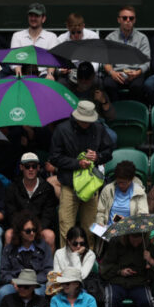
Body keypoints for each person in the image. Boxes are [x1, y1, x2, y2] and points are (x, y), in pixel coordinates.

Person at [49, 100, 113, 246]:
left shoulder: (98, 128)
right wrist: (77, 163)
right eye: (84, 121)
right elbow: (54, 157)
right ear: (77, 117)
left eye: (88, 121)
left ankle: (89, 264)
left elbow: (108, 152)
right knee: (66, 228)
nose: (86, 123)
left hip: (91, 187)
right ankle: (66, 264)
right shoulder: (62, 130)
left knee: (90, 229)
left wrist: (98, 157)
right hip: (69, 185)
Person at [100, 233, 154, 307]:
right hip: (118, 282)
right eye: (133, 239)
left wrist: (150, 260)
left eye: (138, 240)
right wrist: (120, 271)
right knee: (111, 300)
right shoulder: (116, 245)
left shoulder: (149, 247)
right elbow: (105, 268)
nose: (136, 243)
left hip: (139, 283)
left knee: (147, 302)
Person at [5, 152, 58, 251]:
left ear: (38, 168)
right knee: (8, 235)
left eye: (34, 166)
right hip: (19, 228)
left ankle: (49, 266)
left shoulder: (47, 188)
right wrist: (23, 229)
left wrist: (34, 230)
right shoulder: (12, 188)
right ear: (21, 167)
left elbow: (48, 215)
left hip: (40, 229)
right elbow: (11, 213)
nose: (30, 169)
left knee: (50, 236)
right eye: (27, 166)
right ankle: (8, 266)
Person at [0, 212, 54, 304]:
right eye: (28, 231)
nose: (32, 233)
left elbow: (48, 270)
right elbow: (4, 272)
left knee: (38, 293)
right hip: (15, 284)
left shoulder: (44, 247)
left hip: (36, 283)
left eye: (34, 230)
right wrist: (13, 282)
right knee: (3, 292)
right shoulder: (9, 249)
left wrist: (32, 282)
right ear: (20, 232)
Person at [101, 6, 150, 102]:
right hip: (116, 73)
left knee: (137, 86)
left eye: (131, 18)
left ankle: (133, 112)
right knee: (108, 84)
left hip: (135, 73)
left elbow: (147, 61)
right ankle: (116, 112)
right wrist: (112, 73)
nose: (128, 20)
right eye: (124, 18)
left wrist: (138, 72)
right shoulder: (110, 38)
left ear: (134, 20)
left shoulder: (142, 38)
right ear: (119, 20)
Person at [10, 3, 58, 78]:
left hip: (43, 75)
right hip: (23, 74)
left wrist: (50, 74)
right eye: (31, 15)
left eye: (36, 16)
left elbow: (52, 59)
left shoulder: (51, 37)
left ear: (43, 19)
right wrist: (19, 74)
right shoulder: (17, 36)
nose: (33, 18)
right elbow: (14, 59)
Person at [95, 161, 148, 227]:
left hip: (129, 230)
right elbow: (100, 212)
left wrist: (128, 222)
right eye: (119, 182)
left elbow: (143, 216)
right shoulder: (108, 190)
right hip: (109, 229)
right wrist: (100, 223)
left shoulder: (140, 192)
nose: (121, 185)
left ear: (131, 180)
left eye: (124, 183)